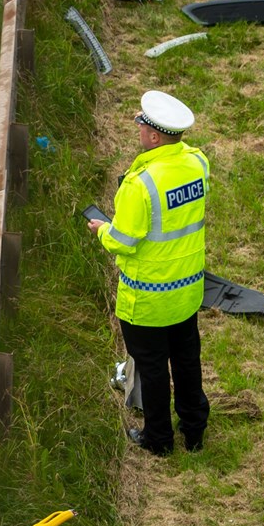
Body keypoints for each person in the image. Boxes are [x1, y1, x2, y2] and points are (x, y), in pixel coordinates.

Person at [86, 90, 211, 454]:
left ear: (154, 137)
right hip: (187, 291)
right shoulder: (198, 164)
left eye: (141, 122)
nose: (137, 125)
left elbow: (123, 241)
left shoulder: (139, 185)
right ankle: (194, 430)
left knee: (154, 368)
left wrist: (101, 230)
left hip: (148, 301)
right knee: (187, 360)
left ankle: (158, 439)